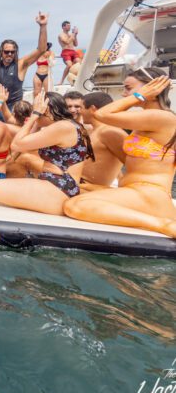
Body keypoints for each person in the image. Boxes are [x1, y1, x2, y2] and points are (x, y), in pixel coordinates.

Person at [64, 69, 176, 237]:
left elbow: (101, 114)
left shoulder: (162, 117)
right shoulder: (146, 118)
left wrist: (139, 95)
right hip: (136, 192)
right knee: (75, 188)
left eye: (128, 88)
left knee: (74, 206)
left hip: (150, 195)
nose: (124, 94)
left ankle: (163, 225)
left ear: (152, 89)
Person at [0, 11, 48, 107]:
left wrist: (43, 26)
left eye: (12, 52)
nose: (9, 54)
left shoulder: (21, 64)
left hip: (15, 109)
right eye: (6, 52)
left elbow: (41, 49)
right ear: (1, 52)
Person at [78, 92, 126, 189]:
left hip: (87, 187)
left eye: (81, 107)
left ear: (92, 109)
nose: (79, 111)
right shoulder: (92, 131)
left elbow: (132, 163)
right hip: (76, 182)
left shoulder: (110, 132)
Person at [58, 20, 80, 84]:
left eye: (70, 26)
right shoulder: (61, 35)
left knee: (79, 63)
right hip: (66, 51)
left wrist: (75, 35)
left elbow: (76, 44)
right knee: (69, 65)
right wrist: (73, 34)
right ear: (63, 27)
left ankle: (76, 79)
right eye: (68, 26)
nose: (69, 27)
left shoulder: (71, 35)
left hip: (73, 51)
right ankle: (61, 80)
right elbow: (67, 42)